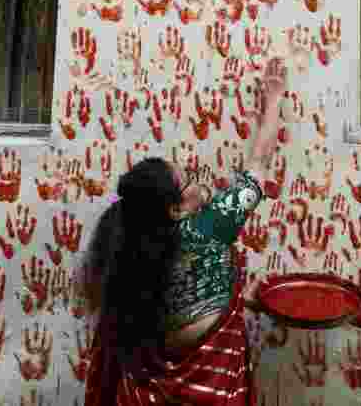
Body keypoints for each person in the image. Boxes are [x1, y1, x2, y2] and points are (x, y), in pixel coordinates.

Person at [80, 57, 288, 406]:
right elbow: (258, 166)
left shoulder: (126, 252)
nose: (198, 179)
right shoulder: (210, 229)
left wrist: (239, 295)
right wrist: (274, 99)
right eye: (189, 179)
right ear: (175, 209)